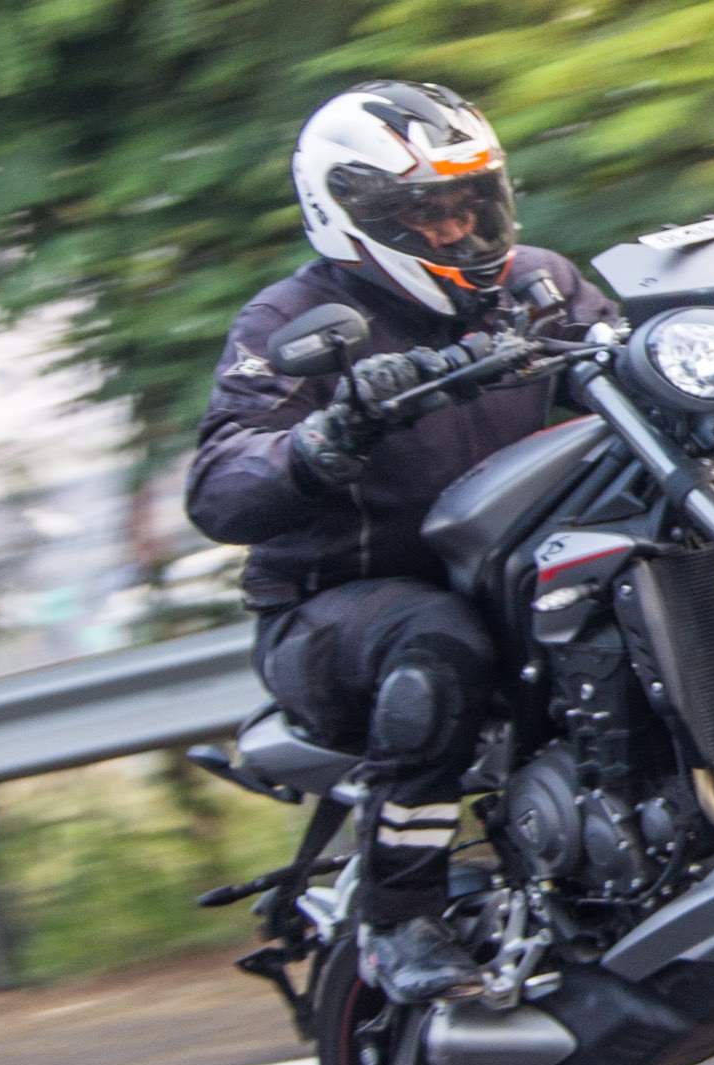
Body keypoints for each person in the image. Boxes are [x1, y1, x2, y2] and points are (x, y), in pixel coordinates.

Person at [186, 81, 616, 1004]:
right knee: (438, 644)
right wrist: (329, 434)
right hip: (336, 612)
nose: (456, 228)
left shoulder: (539, 284)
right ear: (350, 213)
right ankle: (398, 919)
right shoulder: (286, 322)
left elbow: (625, 360)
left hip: (510, 580)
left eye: (470, 202)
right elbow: (219, 484)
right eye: (424, 210)